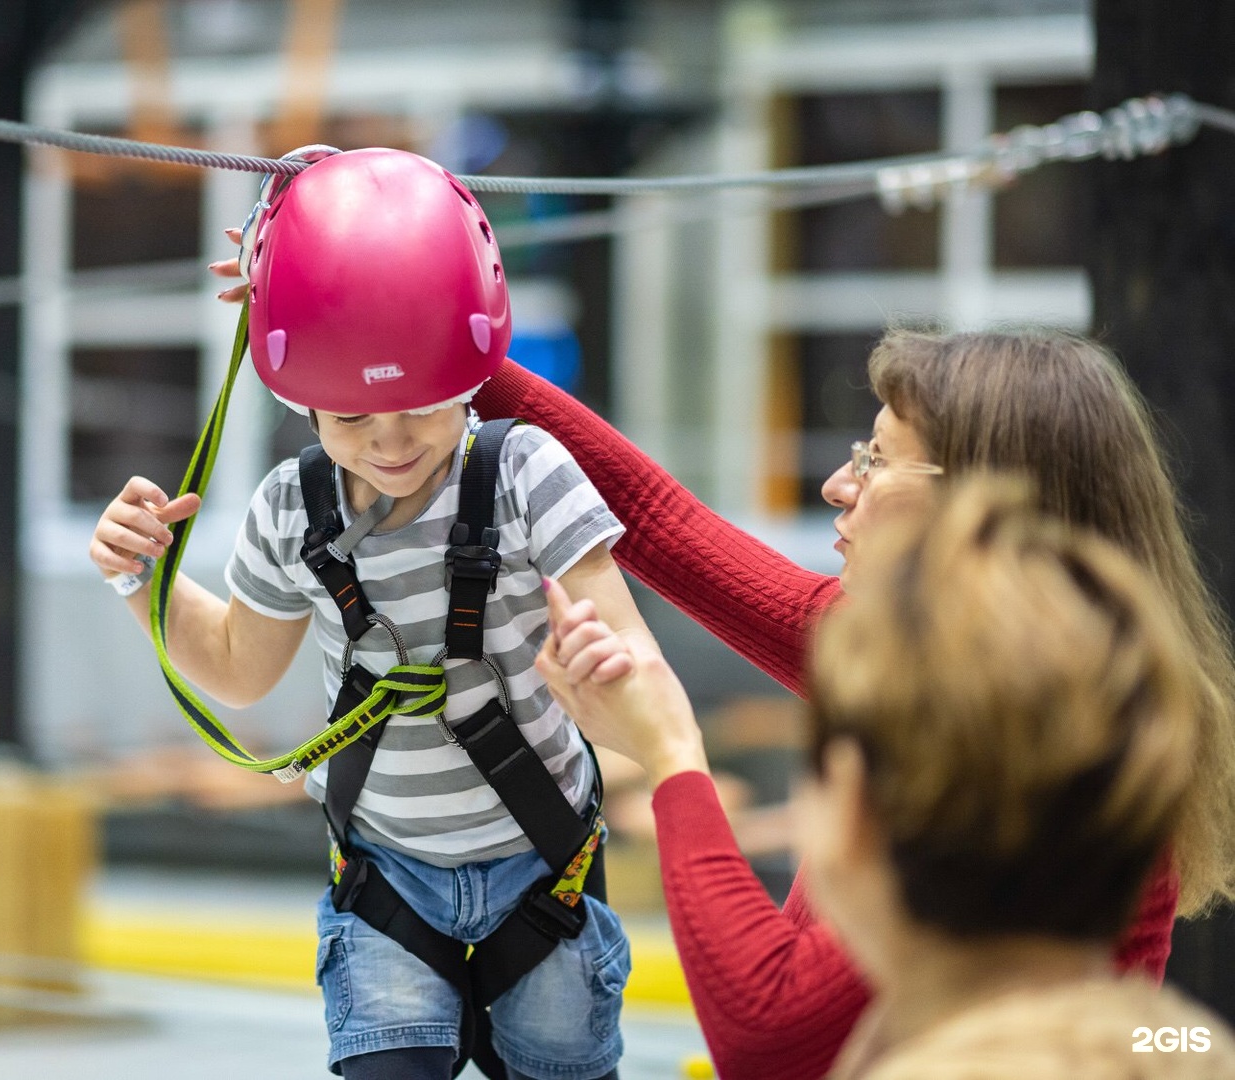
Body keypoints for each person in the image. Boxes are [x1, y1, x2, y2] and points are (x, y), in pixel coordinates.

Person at [473, 328, 1235, 1079]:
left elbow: (769, 1035)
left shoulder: (1035, 745)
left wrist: (675, 756)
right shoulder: (1006, 681)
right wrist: (442, 352)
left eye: (875, 459)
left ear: (977, 501)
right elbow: (658, 515)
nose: (841, 484)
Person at [97, 147, 655, 1080]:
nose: (389, 442)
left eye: (418, 408)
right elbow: (239, 668)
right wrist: (143, 579)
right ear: (299, 399)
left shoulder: (526, 476)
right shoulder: (292, 506)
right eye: (350, 420)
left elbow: (630, 651)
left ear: (470, 372)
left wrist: (609, 665)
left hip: (542, 871)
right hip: (387, 878)